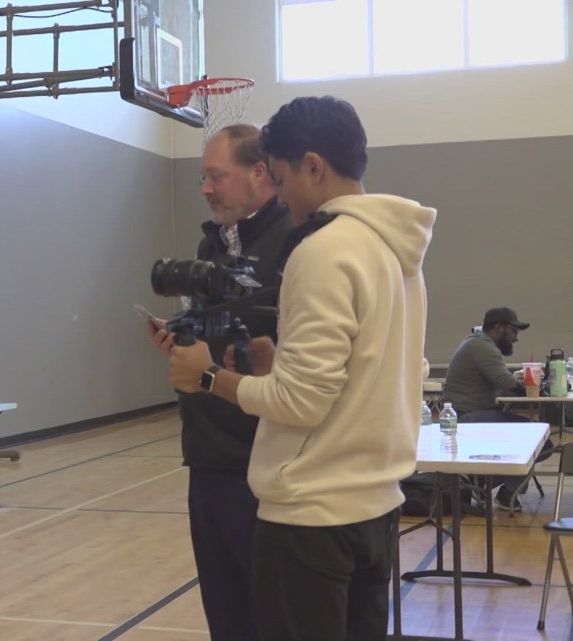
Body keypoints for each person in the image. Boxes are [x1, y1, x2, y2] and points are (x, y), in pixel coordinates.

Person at [168, 96, 436, 641]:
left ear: (313, 167)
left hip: (313, 519)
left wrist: (206, 378)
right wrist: (278, 363)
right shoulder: (398, 254)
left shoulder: (322, 249)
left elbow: (300, 403)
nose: (282, 191)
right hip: (374, 507)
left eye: (285, 175)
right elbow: (378, 376)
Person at [144, 123, 293, 641]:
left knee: (275, 615)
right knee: (226, 618)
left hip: (266, 465)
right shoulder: (210, 247)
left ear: (260, 174)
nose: (206, 188)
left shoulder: (295, 244)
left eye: (216, 176)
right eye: (201, 178)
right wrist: (183, 345)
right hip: (206, 457)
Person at [441, 307, 548, 512]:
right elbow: (507, 384)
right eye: (513, 331)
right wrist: (536, 384)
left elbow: (499, 381)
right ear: (498, 328)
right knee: (540, 438)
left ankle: (479, 480)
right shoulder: (483, 347)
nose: (516, 338)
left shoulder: (475, 342)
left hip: (468, 414)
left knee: (532, 436)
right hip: (468, 418)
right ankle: (502, 491)